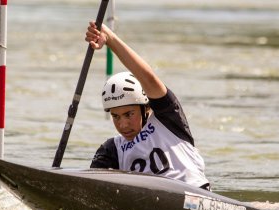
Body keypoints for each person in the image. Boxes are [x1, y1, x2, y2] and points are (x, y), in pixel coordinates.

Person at [86, 21, 210, 190]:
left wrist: (110, 39)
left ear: (146, 108)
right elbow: (88, 190)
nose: (123, 125)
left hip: (195, 195)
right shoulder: (112, 150)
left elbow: (148, 77)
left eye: (129, 114)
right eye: (116, 116)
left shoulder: (168, 118)